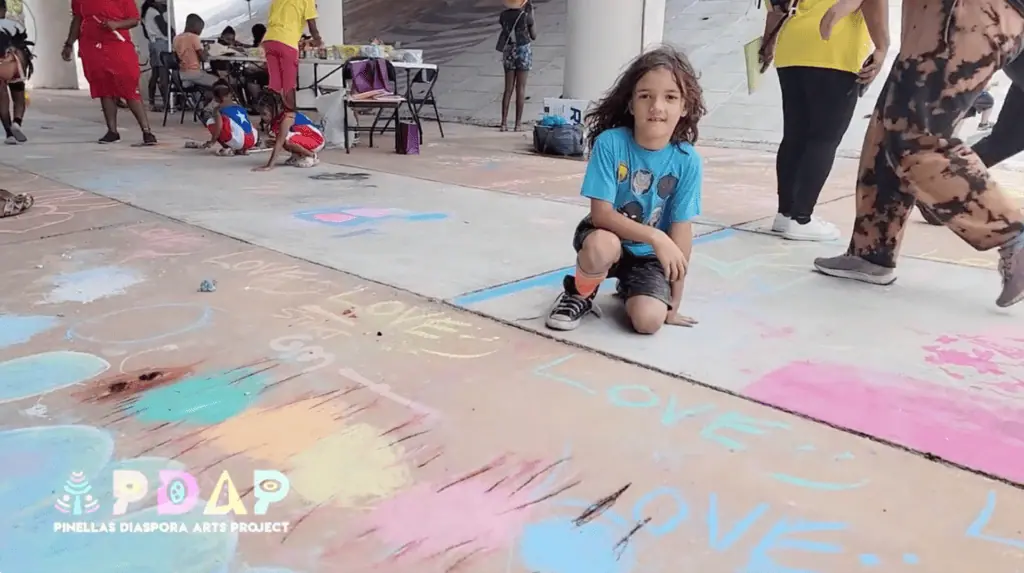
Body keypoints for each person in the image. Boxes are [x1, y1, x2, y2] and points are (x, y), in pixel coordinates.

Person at [814, 0, 1024, 308]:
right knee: (890, 130)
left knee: (917, 135)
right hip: (955, 16)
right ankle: (872, 250)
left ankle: (1010, 233)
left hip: (966, 11)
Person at [544, 46, 706, 334]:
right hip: (607, 235)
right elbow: (601, 215)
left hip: (648, 257)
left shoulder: (687, 160)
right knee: (601, 247)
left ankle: (631, 286)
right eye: (645, 96)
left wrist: (674, 302)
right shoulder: (611, 143)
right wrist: (656, 236)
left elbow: (681, 231)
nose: (657, 106)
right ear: (631, 104)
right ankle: (580, 293)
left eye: (670, 97)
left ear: (685, 107)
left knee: (648, 322)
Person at [759, 0, 881, 241]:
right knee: (824, 139)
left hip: (791, 47)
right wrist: (882, 47)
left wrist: (767, 43)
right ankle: (801, 218)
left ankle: (785, 215)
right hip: (834, 48)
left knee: (795, 135)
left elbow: (776, 8)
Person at [62, 0, 158, 145]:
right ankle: (112, 131)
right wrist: (69, 44)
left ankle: (146, 131)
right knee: (104, 87)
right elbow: (77, 19)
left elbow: (134, 20)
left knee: (129, 86)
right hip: (92, 46)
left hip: (118, 44)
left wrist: (116, 25)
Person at [263, 0, 321, 112]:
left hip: (269, 40)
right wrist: (318, 39)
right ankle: (291, 120)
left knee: (275, 83)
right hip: (286, 41)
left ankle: (273, 119)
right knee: (289, 85)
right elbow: (311, 22)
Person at [253, 90, 323, 170]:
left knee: (285, 140)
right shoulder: (276, 118)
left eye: (264, 114)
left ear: (274, 109)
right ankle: (297, 155)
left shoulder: (287, 118)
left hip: (316, 139)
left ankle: (311, 155)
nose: (262, 117)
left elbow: (280, 142)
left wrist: (269, 166)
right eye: (260, 114)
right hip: (305, 137)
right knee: (280, 139)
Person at [497, 0, 536, 132]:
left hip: (509, 50)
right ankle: (518, 124)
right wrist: (532, 14)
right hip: (523, 50)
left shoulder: (503, 15)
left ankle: (503, 123)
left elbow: (505, 29)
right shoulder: (526, 16)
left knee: (508, 89)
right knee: (521, 88)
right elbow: (533, 36)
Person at [0, 0, 31, 145]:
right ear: (4, 10)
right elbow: (23, 45)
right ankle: (17, 122)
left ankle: (9, 133)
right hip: (14, 63)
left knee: (2, 99)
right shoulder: (14, 25)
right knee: (18, 95)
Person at [199, 82, 258, 156]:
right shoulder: (239, 107)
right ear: (230, 95)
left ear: (216, 98)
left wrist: (212, 141)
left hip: (239, 141)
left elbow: (219, 128)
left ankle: (228, 147)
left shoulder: (218, 109)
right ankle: (243, 149)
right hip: (252, 140)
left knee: (211, 122)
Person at [173, 14, 218, 89]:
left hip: (181, 75)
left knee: (202, 82)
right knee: (220, 83)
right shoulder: (194, 37)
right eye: (200, 28)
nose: (200, 31)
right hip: (194, 74)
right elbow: (203, 58)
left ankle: (200, 100)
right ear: (194, 26)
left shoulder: (176, 38)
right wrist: (206, 49)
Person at [140, 0, 170, 111]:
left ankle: (152, 102)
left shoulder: (146, 13)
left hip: (153, 43)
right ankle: (167, 103)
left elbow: (145, 33)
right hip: (161, 43)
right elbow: (165, 30)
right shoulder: (154, 13)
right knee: (163, 75)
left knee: (155, 73)